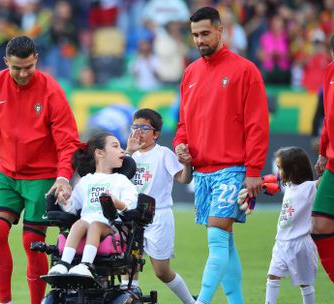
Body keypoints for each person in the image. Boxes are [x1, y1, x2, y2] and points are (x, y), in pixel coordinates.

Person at [0, 36, 81, 304]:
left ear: (36, 61)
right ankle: (5, 302)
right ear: (5, 62)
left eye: (28, 68)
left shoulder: (52, 90)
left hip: (43, 178)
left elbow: (68, 140)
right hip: (7, 175)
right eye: (16, 68)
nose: (23, 74)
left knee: (32, 245)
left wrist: (63, 175)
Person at [173, 7, 269, 304]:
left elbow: (257, 125)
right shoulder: (190, 72)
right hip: (202, 172)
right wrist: (180, 144)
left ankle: (200, 302)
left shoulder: (245, 71)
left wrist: (253, 170)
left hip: (232, 169)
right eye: (195, 35)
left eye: (204, 33)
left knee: (216, 238)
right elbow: (184, 124)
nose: (200, 40)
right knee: (224, 243)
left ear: (220, 30)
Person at [124, 109, 195, 304]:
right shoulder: (128, 156)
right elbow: (116, 178)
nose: (138, 131)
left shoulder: (163, 153)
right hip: (132, 217)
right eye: (135, 127)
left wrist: (187, 165)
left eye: (144, 127)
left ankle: (191, 301)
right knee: (129, 266)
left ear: (156, 134)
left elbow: (183, 178)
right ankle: (131, 300)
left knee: (161, 271)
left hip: (158, 217)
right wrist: (128, 151)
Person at [47, 132, 138, 277]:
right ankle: (63, 264)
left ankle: (86, 265)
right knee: (79, 224)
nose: (122, 150)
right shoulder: (86, 181)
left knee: (95, 225)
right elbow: (73, 207)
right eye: (115, 146)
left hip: (111, 225)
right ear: (99, 153)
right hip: (86, 222)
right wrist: (64, 199)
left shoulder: (121, 180)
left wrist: (116, 203)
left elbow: (130, 205)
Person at [265, 147, 319, 304]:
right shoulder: (289, 187)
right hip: (281, 242)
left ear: (292, 168)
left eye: (280, 167)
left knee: (305, 283)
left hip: (300, 244)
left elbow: (324, 181)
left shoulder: (309, 187)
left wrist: (326, 161)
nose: (278, 171)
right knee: (273, 276)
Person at [312, 34, 334, 283]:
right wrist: (322, 152)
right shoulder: (330, 73)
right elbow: (328, 118)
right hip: (333, 165)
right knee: (319, 226)